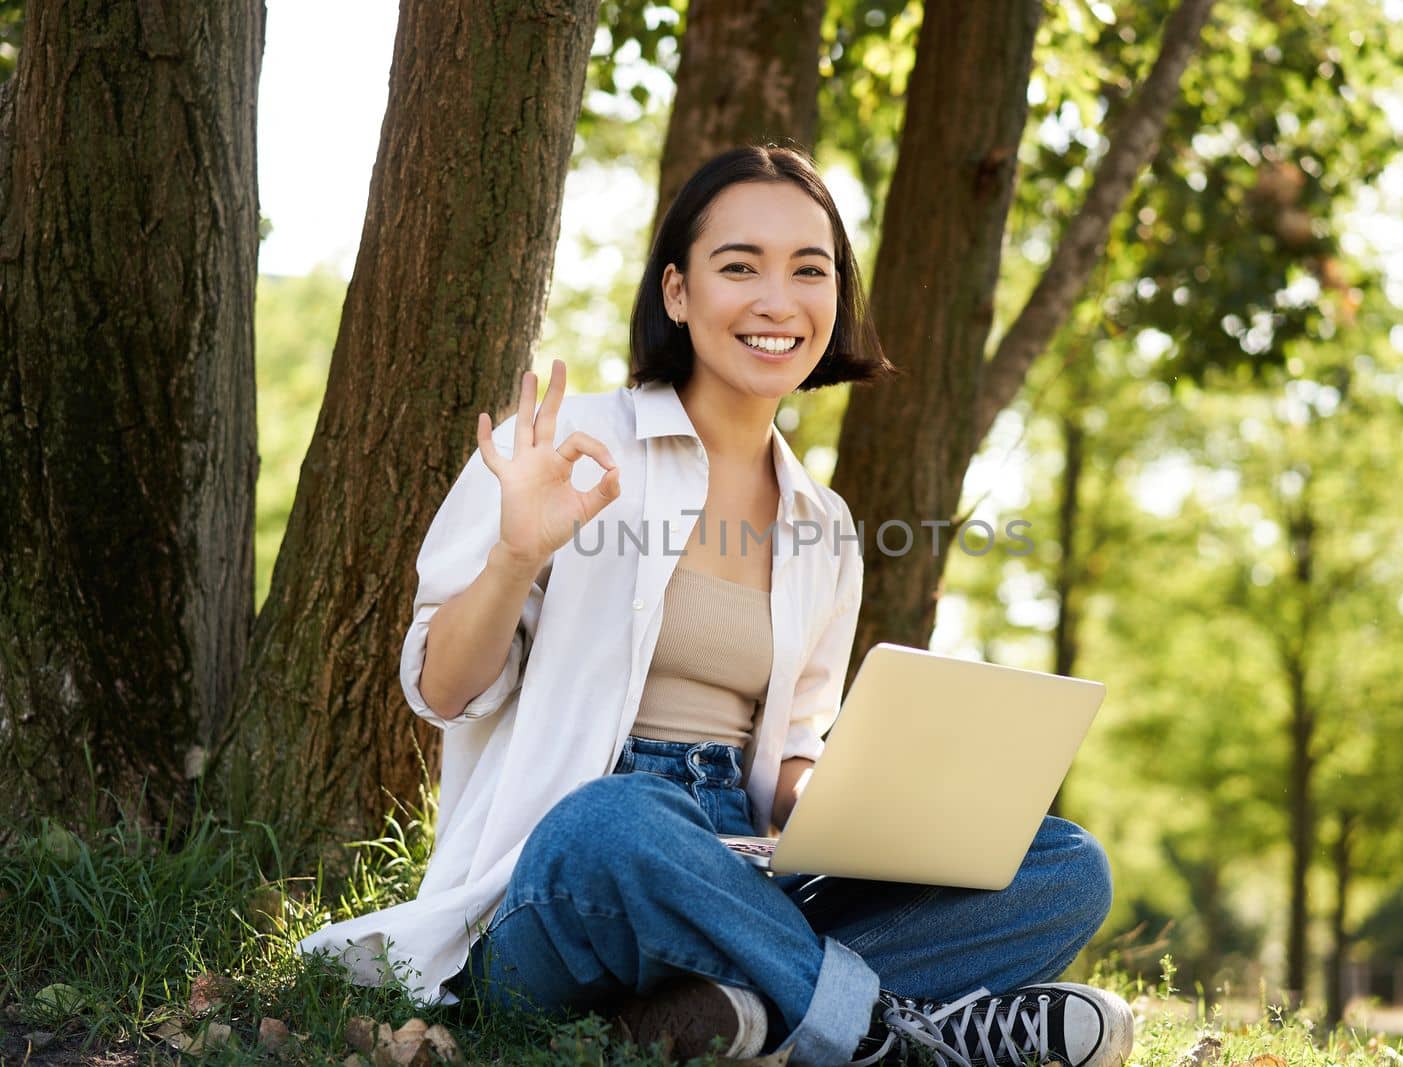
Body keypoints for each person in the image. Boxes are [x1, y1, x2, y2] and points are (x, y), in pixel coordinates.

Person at [297, 146, 1133, 1067]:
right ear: (678, 293)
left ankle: (728, 1014)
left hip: (745, 871)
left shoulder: (826, 523)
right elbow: (441, 688)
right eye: (740, 267)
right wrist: (515, 554)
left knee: (1062, 868)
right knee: (616, 818)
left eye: (809, 271)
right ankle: (888, 1034)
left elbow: (788, 766)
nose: (778, 300)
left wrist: (885, 811)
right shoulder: (571, 449)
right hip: (566, 886)